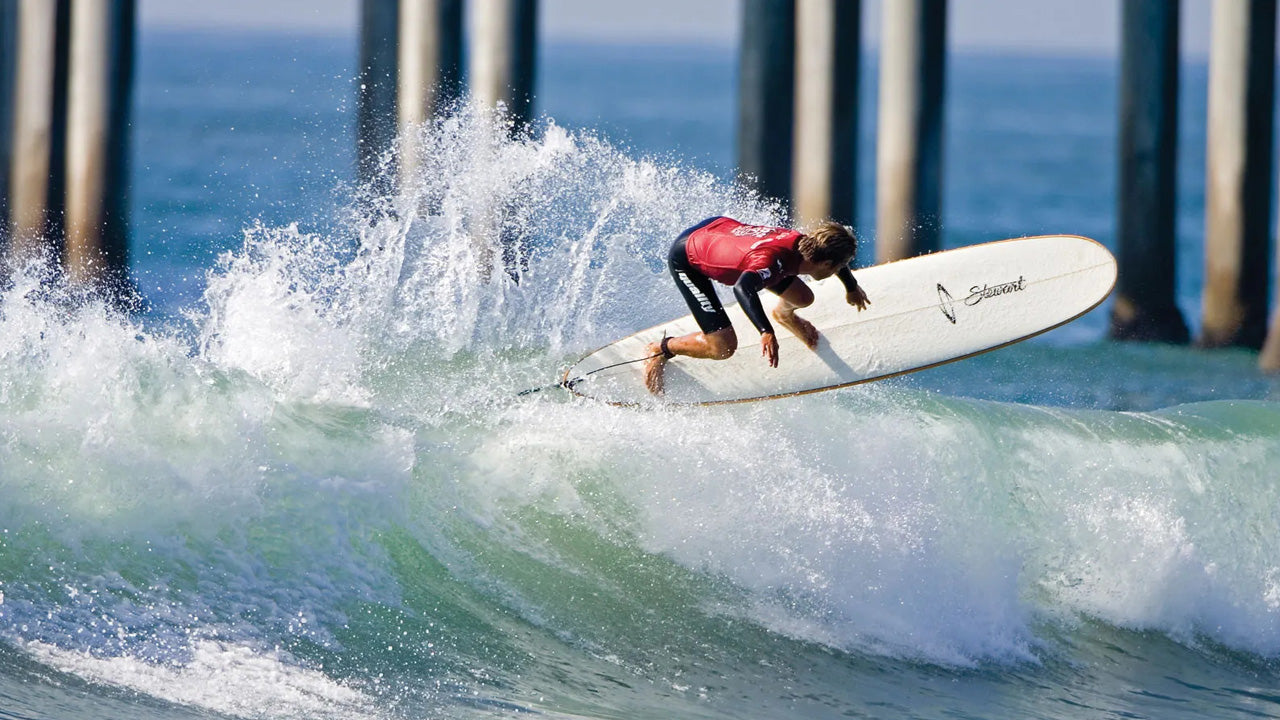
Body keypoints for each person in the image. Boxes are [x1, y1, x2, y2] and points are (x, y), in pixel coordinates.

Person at [644, 216, 871, 395]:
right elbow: (743, 289)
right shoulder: (771, 262)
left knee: (803, 298)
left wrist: (851, 287)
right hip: (688, 256)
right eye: (838, 268)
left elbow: (833, 256)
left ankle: (785, 315)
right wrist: (765, 331)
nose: (838, 271)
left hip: (716, 229)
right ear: (826, 264)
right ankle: (660, 348)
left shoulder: (806, 244)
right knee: (722, 347)